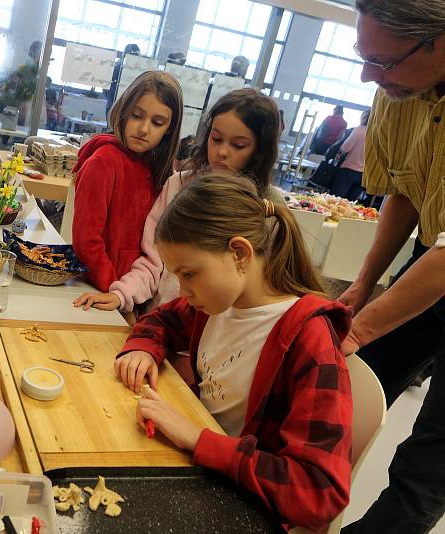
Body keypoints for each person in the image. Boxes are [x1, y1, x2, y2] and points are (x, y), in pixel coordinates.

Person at [116, 174, 352, 531]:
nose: (183, 290)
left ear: (239, 253)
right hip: (196, 465)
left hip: (237, 503)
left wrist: (198, 439)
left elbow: (319, 491)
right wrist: (143, 348)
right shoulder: (219, 302)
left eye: (190, 274)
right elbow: (160, 319)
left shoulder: (309, 339)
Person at [336, 1, 445, 532]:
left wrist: (360, 327)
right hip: (434, 254)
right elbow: (404, 189)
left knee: (429, 459)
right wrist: (364, 284)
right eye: (363, 55)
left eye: (383, 62)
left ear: (439, 40)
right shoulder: (396, 93)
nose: (368, 75)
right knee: (348, 388)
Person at [74, 88, 285, 313]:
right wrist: (122, 293)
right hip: (160, 318)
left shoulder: (268, 205)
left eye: (238, 145)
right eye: (216, 138)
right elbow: (153, 260)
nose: (222, 151)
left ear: (260, 150)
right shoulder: (178, 184)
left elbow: (262, 292)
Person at [72, 70, 183, 294]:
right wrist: (115, 291)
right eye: (136, 115)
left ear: (169, 128)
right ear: (124, 111)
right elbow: (86, 241)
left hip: (137, 290)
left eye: (157, 122)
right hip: (100, 290)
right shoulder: (103, 162)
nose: (144, 129)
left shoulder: (160, 169)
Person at [329, 108, 370, 201]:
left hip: (348, 171)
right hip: (363, 176)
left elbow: (345, 148)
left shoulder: (359, 130)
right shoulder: (377, 134)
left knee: (335, 200)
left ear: (363, 117)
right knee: (350, 204)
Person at [107, 43, 141, 113]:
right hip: (116, 102)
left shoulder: (136, 68)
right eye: (134, 55)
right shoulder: (119, 66)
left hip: (118, 102)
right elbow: (106, 85)